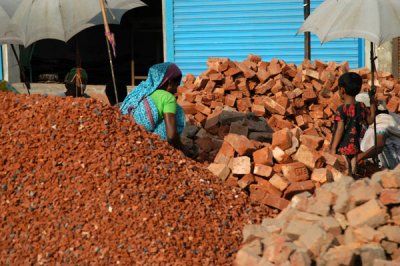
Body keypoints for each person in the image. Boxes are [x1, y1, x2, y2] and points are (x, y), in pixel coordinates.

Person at [120, 62, 192, 156]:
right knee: (177, 112)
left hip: (125, 138)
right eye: (176, 85)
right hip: (147, 145)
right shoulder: (168, 98)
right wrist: (183, 149)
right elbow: (171, 135)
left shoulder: (142, 92)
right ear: (170, 82)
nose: (176, 90)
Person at [330, 72, 374, 175]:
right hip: (355, 148)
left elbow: (340, 129)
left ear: (342, 90)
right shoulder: (362, 106)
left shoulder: (341, 109)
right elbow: (371, 120)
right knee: (353, 173)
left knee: (345, 173)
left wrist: (333, 148)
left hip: (342, 148)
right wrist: (372, 103)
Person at [356, 92, 400, 170]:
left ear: (368, 110)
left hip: (395, 164)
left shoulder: (381, 123)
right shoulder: (388, 114)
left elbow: (379, 145)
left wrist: (359, 157)